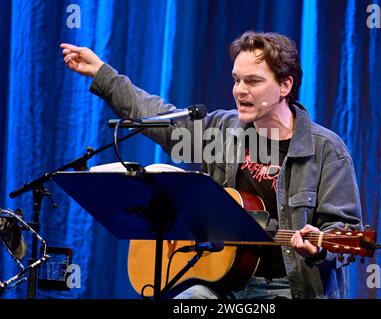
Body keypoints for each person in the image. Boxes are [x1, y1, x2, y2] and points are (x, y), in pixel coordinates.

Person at [61, 31, 362, 299]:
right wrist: (102, 74)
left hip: (289, 288)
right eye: (236, 79)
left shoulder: (326, 150)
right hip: (221, 285)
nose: (239, 90)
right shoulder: (220, 130)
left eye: (253, 81)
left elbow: (345, 229)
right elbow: (156, 117)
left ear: (285, 85)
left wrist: (320, 247)